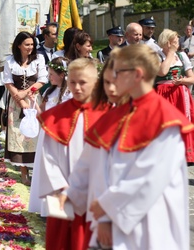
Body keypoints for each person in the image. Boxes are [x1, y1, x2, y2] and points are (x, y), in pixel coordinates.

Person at [77, 44, 192, 250]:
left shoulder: (165, 119)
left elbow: (150, 177)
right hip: (113, 218)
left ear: (137, 75)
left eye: (119, 72)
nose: (113, 77)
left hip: (149, 224)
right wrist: (102, 217)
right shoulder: (119, 114)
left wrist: (107, 207)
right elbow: (100, 167)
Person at [37, 58, 108, 250]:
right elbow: (48, 157)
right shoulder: (56, 116)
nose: (77, 88)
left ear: (95, 83)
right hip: (63, 195)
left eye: (83, 82)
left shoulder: (108, 115)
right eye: (72, 82)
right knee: (63, 241)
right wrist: (62, 188)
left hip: (97, 195)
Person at [28, 56, 72, 215]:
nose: (48, 77)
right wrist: (33, 103)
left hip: (61, 136)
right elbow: (42, 116)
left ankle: (58, 206)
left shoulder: (69, 93)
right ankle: (43, 207)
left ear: (62, 75)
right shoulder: (48, 91)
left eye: (52, 74)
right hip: (46, 135)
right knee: (44, 170)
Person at [3, 31, 48, 186]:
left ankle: (36, 171)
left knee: (35, 134)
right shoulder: (10, 61)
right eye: (27, 44)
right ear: (19, 45)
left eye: (32, 44)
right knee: (19, 135)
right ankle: (23, 173)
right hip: (15, 103)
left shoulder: (38, 59)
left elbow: (42, 79)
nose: (30, 47)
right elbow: (8, 82)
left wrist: (26, 93)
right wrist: (20, 99)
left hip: (34, 100)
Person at [154, 28, 194, 163]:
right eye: (174, 41)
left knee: (183, 122)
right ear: (166, 42)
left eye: (177, 41)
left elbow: (192, 78)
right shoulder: (158, 56)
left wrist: (182, 81)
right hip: (163, 94)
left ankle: (184, 153)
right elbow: (162, 71)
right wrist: (170, 53)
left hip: (180, 94)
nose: (177, 44)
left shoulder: (181, 56)